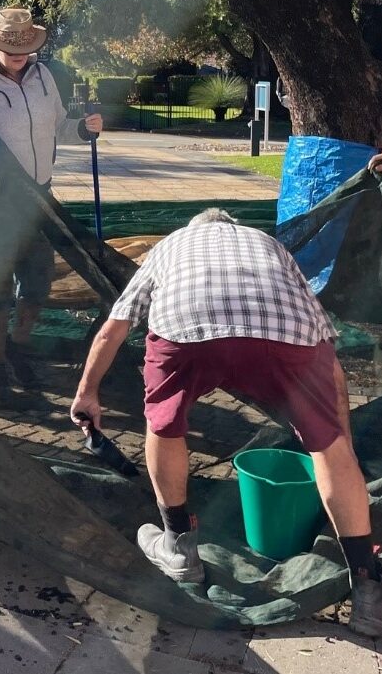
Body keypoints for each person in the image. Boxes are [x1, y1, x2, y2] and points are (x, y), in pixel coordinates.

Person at [69, 208, 382, 637]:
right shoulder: (269, 245)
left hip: (185, 325)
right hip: (289, 333)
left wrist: (87, 392)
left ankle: (179, 547)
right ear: (233, 228)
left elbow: (113, 329)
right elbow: (323, 336)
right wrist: (336, 436)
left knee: (165, 423)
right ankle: (368, 588)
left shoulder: (170, 245)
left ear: (195, 228)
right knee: (328, 448)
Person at [0, 6, 102, 406]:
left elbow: (58, 125)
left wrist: (83, 129)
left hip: (36, 197)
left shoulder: (43, 76)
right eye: (12, 50)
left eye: (26, 49)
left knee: (39, 281)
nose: (20, 56)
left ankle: (16, 346)